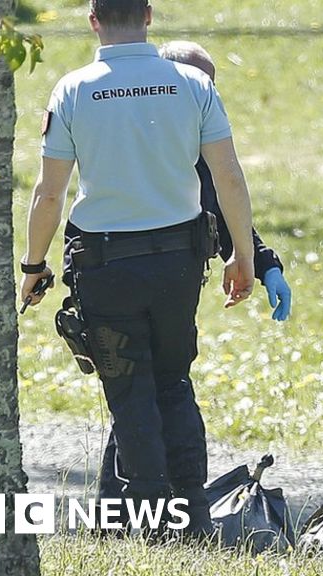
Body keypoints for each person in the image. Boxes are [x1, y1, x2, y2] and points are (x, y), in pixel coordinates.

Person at [19, 0, 256, 537]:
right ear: (148, 15)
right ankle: (192, 514)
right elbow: (229, 178)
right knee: (173, 383)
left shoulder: (73, 90)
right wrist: (243, 255)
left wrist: (33, 264)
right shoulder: (193, 86)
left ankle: (148, 522)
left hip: (105, 265)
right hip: (178, 262)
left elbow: (49, 192)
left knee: (131, 396)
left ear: (93, 19)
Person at [95, 39, 292, 517]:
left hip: (152, 290)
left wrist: (262, 263)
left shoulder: (187, 134)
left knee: (138, 397)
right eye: (200, 84)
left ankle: (119, 515)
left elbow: (221, 203)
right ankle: (174, 515)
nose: (207, 95)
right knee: (151, 394)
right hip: (124, 283)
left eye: (212, 86)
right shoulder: (134, 136)